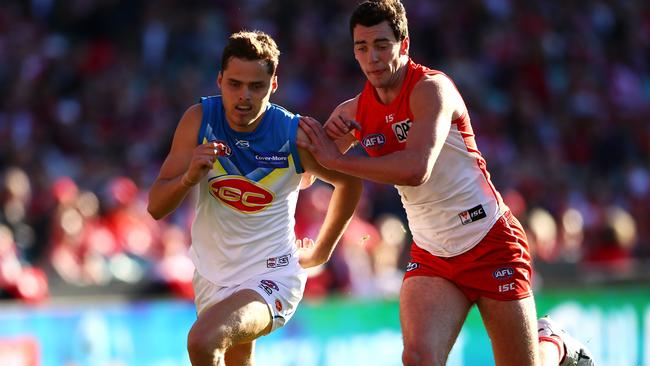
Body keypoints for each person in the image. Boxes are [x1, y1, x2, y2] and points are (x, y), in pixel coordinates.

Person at [296, 1, 594, 365]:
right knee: (418, 358)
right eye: (362, 47)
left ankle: (554, 341)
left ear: (404, 45)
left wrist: (339, 160)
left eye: (382, 45)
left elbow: (416, 168)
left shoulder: (432, 89)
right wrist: (289, 151)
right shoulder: (353, 113)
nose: (372, 57)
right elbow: (310, 172)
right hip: (432, 254)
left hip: (490, 241)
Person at [147, 30, 362, 366]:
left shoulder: (294, 134)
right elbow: (156, 207)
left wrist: (320, 252)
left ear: (273, 85)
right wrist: (189, 177)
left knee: (202, 341)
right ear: (219, 80)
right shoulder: (198, 121)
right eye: (234, 84)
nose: (244, 96)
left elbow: (349, 183)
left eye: (256, 86)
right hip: (211, 276)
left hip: (271, 277)